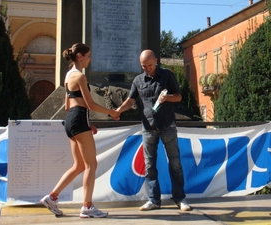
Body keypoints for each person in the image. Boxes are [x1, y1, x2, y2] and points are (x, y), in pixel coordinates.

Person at [40, 43, 120, 218]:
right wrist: (112, 112)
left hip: (71, 121)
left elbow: (68, 105)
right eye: (89, 55)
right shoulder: (81, 77)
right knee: (91, 165)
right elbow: (90, 104)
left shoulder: (68, 76)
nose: (90, 59)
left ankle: (52, 197)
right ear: (80, 56)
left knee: (79, 165)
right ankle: (87, 206)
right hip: (78, 119)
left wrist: (85, 124)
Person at [116, 49, 191, 211]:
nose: (147, 68)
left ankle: (180, 198)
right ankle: (154, 200)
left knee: (175, 163)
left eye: (149, 65)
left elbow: (178, 97)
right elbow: (130, 100)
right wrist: (118, 111)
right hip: (148, 127)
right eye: (144, 66)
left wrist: (167, 98)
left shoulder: (167, 75)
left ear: (156, 61)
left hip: (167, 125)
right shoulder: (138, 80)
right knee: (149, 166)